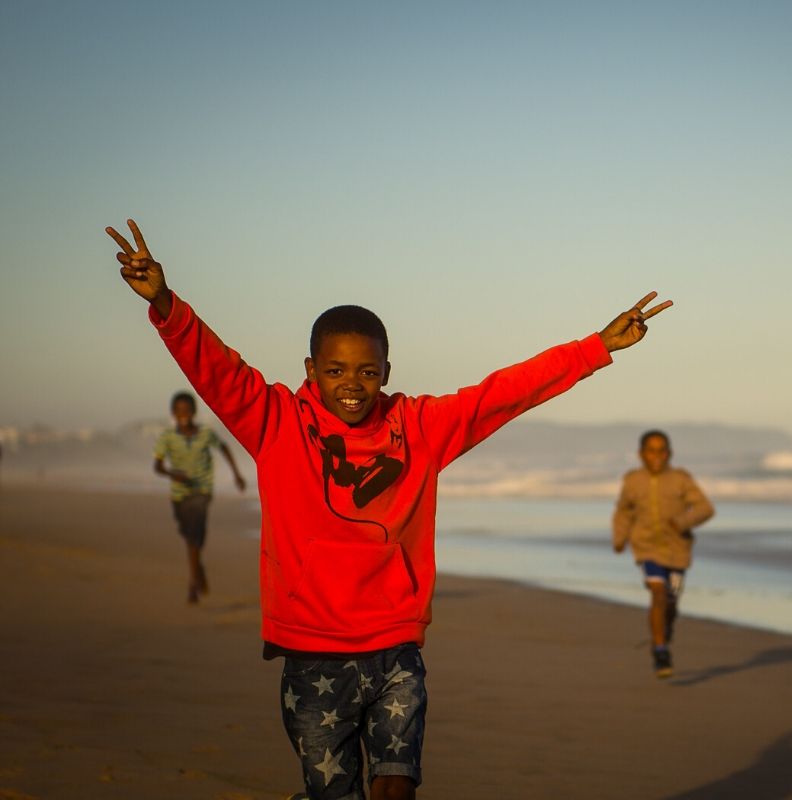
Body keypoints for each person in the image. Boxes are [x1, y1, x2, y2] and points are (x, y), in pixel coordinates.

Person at [105, 218, 671, 800]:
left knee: (397, 789)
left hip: (394, 647)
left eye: (367, 371)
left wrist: (596, 347)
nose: (352, 384)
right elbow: (216, 369)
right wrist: (167, 305)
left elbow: (503, 394)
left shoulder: (420, 427)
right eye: (335, 371)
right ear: (310, 372)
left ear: (386, 373)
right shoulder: (275, 422)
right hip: (314, 655)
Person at [612, 430, 714, 678]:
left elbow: (704, 508)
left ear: (669, 453)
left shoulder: (680, 479)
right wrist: (620, 537)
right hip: (646, 547)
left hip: (678, 551)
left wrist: (682, 522)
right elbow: (624, 511)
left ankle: (665, 631)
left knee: (671, 602)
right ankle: (660, 650)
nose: (656, 456)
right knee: (658, 593)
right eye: (651, 450)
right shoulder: (632, 480)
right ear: (641, 454)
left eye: (662, 450)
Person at [154, 390, 247, 604]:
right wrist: (172, 474)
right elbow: (157, 466)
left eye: (187, 410)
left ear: (194, 412)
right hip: (179, 494)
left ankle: (193, 583)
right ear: (173, 414)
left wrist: (237, 474)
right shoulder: (167, 437)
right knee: (190, 536)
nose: (183, 414)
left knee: (195, 534)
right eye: (179, 411)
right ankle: (199, 568)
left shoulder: (206, 434)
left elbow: (224, 448)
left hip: (202, 491)